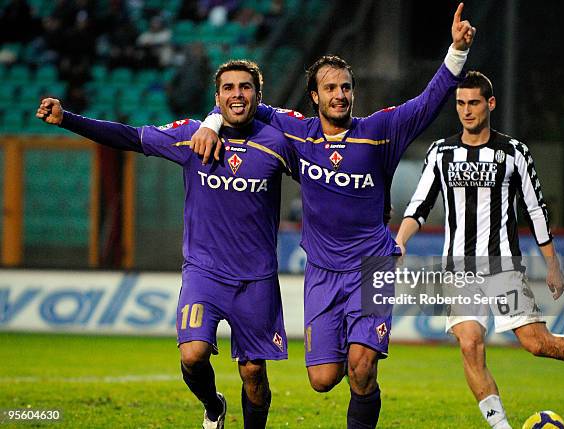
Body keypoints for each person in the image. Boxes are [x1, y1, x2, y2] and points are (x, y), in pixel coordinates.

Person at [190, 4, 476, 427]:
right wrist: (212, 121)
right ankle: (354, 368)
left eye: (345, 87)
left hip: (371, 267)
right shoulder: (297, 133)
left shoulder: (380, 131)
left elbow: (429, 101)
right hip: (322, 272)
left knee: (362, 367)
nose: (339, 95)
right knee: (323, 379)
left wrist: (455, 51)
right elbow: (243, 105)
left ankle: (365, 383)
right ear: (315, 97)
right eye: (330, 88)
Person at [36, 60, 298, 429]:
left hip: (256, 278)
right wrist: (68, 119)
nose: (237, 94)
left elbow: (319, 179)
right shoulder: (192, 136)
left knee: (253, 371)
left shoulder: (277, 143)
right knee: (192, 355)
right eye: (228, 88)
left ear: (258, 94)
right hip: (204, 271)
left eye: (245, 87)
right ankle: (213, 407)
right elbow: (130, 136)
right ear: (217, 97)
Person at [395, 71, 564, 429]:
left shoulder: (514, 152)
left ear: (490, 104)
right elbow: (419, 205)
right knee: (469, 343)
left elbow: (536, 210)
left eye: (474, 103)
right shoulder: (441, 152)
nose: (466, 111)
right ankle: (502, 427)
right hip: (459, 270)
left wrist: (552, 264)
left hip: (502, 269)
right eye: (461, 103)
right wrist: (401, 240)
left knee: (538, 343)